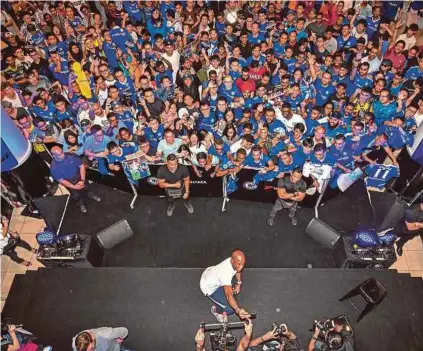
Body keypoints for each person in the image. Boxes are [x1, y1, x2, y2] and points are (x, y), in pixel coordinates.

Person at [200, 249, 251, 322]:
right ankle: (216, 310)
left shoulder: (233, 261)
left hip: (212, 273)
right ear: (232, 261)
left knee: (233, 298)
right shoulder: (225, 274)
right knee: (230, 310)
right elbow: (228, 295)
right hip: (207, 286)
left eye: (243, 264)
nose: (241, 267)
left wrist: (239, 283)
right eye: (239, 264)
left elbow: (238, 270)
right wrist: (238, 310)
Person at [50, 145, 101, 213]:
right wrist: (74, 186)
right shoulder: (54, 168)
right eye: (59, 154)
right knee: (76, 195)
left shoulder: (72, 156)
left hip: (79, 175)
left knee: (86, 187)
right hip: (69, 181)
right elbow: (61, 180)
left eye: (62, 151)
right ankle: (81, 203)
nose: (62, 154)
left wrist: (82, 179)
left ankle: (90, 194)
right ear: (54, 156)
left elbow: (81, 166)